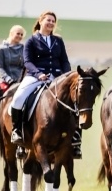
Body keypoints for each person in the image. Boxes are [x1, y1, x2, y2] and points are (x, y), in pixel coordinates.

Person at [9, 12, 82, 158]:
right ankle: (17, 131)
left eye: (53, 21)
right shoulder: (31, 40)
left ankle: (75, 140)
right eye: (48, 20)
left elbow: (64, 60)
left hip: (57, 77)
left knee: (76, 102)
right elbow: (28, 62)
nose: (51, 23)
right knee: (18, 99)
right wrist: (38, 74)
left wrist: (67, 77)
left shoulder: (58, 41)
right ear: (41, 21)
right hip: (36, 76)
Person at [0, 25, 26, 90]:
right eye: (18, 33)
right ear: (11, 33)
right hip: (5, 81)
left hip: (20, 82)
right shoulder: (1, 49)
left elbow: (25, 66)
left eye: (21, 35)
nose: (20, 36)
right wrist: (8, 79)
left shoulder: (23, 49)